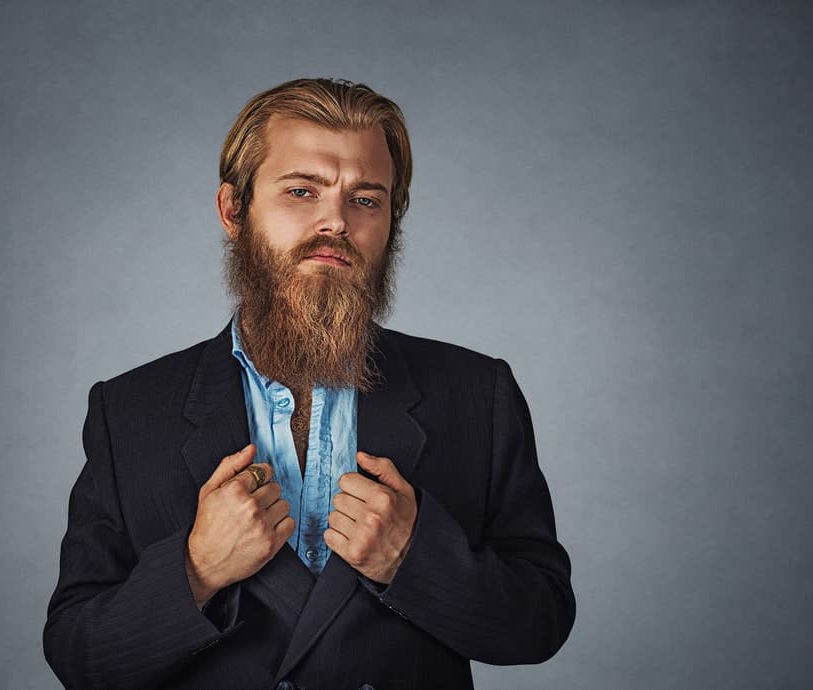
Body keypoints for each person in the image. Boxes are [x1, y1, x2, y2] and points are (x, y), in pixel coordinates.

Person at [44, 78, 575, 690]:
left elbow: (542, 623)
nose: (336, 221)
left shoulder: (480, 394)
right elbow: (78, 655)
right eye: (302, 191)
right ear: (232, 211)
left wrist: (415, 559)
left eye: (367, 200)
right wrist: (194, 572)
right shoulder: (128, 410)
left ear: (391, 225)